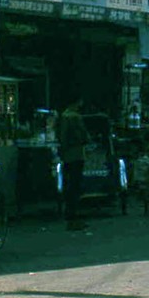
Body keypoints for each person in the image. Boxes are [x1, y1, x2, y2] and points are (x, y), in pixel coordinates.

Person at [57, 98, 90, 231]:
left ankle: (69, 213)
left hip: (68, 156)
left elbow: (62, 137)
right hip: (77, 154)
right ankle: (73, 215)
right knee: (75, 185)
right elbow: (85, 136)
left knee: (69, 183)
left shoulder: (64, 117)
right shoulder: (75, 117)